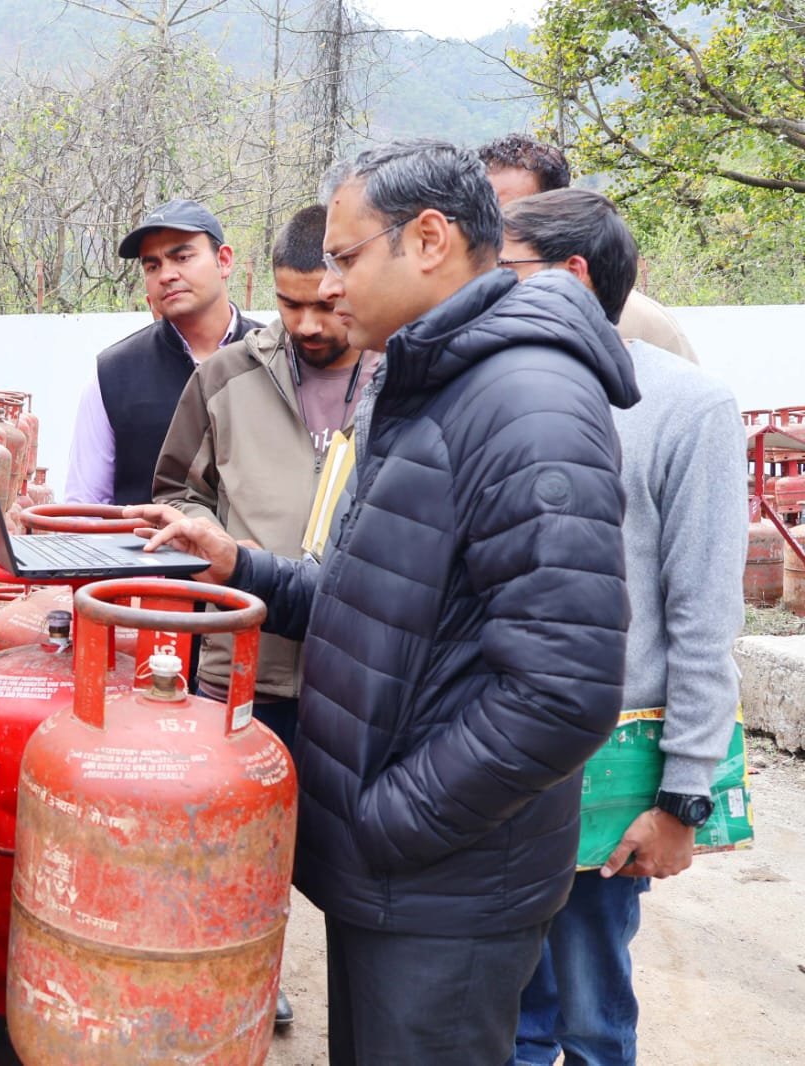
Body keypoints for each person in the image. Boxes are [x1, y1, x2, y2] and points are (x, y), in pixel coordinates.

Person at [127, 139, 639, 1065]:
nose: (328, 286)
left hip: (445, 886)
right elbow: (374, 606)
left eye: (346, 257)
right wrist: (243, 565)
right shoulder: (429, 384)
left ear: (430, 240)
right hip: (395, 879)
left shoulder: (527, 404)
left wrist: (391, 820)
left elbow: (563, 691)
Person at [499, 189, 746, 1066]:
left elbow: (704, 615)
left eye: (504, 270)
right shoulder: (491, 396)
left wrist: (682, 796)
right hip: (495, 762)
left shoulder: (685, 407)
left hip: (607, 770)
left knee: (593, 1013)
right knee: (509, 1020)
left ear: (571, 276)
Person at [150, 203, 378, 1032]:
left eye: (325, 303)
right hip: (241, 666)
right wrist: (214, 542)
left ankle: (365, 1001)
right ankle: (249, 974)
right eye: (289, 304)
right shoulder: (225, 378)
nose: (308, 324)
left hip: (358, 676)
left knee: (357, 859)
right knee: (236, 848)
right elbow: (176, 489)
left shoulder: (397, 379)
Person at [63, 199, 261, 505]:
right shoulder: (114, 375)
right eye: (152, 266)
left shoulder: (273, 358)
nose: (166, 275)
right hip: (143, 537)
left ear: (223, 260)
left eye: (182, 257)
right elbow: (85, 507)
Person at [479, 133, 699, 363]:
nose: (491, 228)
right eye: (482, 212)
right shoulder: (472, 309)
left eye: (511, 212)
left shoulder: (644, 325)